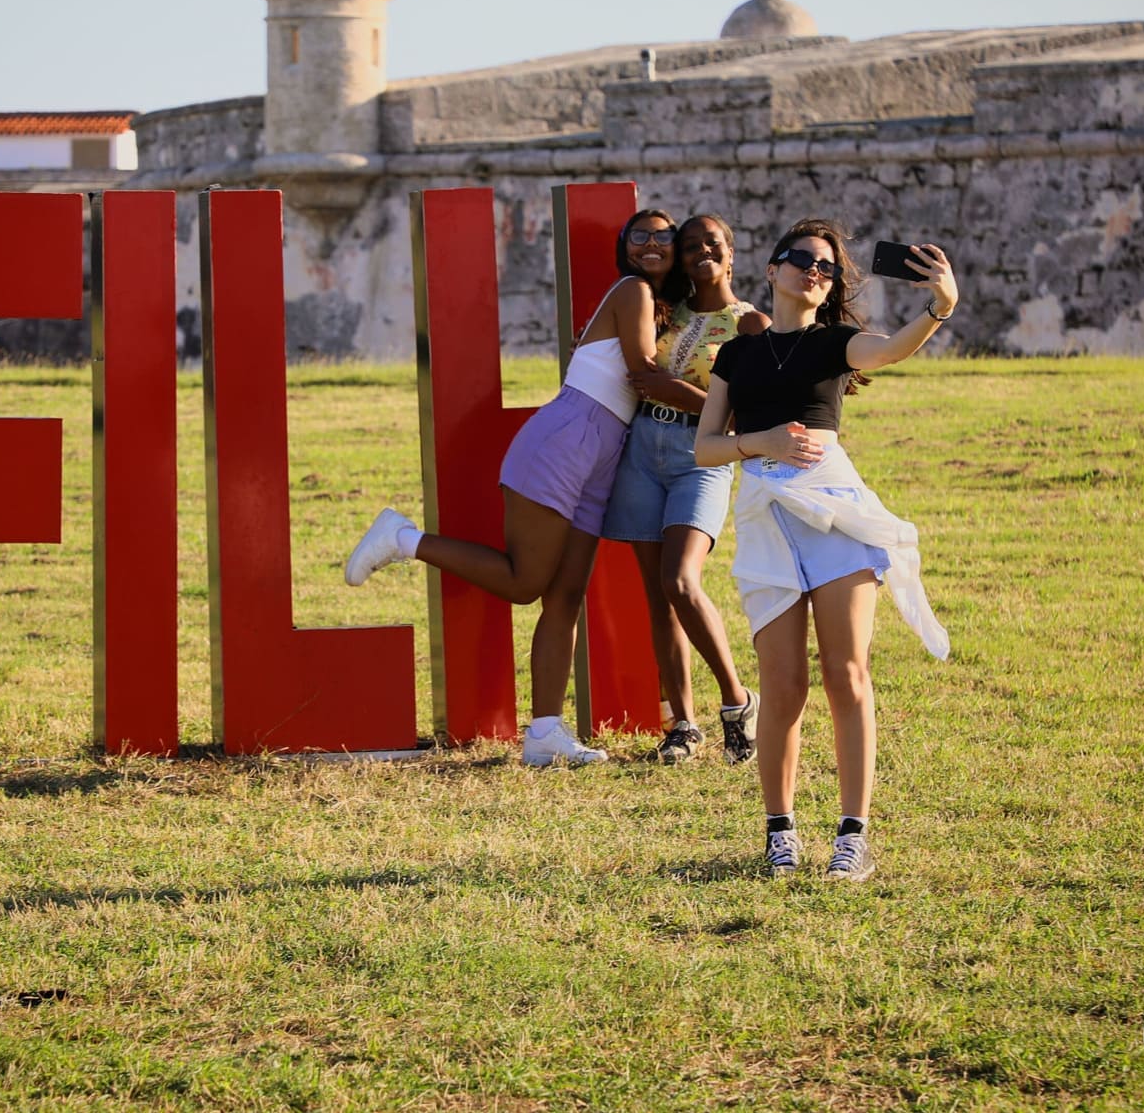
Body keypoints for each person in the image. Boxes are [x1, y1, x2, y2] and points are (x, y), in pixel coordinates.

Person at [344, 208, 685, 766]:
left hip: (603, 451)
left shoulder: (659, 307)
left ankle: (545, 732)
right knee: (527, 582)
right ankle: (403, 538)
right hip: (569, 435)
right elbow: (644, 373)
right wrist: (721, 404)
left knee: (566, 595)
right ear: (625, 247)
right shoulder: (632, 291)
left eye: (663, 235)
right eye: (640, 235)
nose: (652, 243)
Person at [695, 218, 956, 882]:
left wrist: (937, 308)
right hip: (765, 517)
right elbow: (706, 448)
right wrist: (764, 444)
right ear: (773, 270)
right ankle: (780, 833)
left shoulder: (836, 344)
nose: (817, 271)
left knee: (847, 673)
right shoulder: (736, 355)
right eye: (804, 260)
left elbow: (894, 349)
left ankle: (852, 836)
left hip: (835, 510)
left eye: (829, 267)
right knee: (782, 686)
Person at [604, 214, 769, 765]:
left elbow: (751, 415)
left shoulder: (751, 324)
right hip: (641, 451)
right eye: (691, 244)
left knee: (681, 578)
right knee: (659, 598)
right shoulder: (662, 309)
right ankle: (682, 725)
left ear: (732, 253)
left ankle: (737, 700)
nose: (701, 252)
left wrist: (673, 390)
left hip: (701, 457)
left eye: (712, 243)